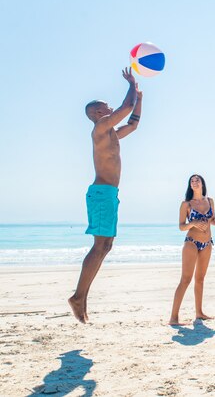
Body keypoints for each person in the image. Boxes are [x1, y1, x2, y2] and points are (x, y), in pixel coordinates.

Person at [68, 68, 140, 323]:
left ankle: (81, 297)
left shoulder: (111, 134)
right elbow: (126, 106)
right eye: (105, 106)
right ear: (98, 113)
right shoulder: (100, 128)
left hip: (109, 194)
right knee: (100, 246)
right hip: (101, 194)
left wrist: (139, 97)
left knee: (106, 246)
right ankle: (78, 297)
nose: (110, 107)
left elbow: (133, 124)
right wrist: (131, 85)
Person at [169, 174, 215, 325]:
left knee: (200, 279)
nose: (194, 183)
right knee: (186, 279)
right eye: (192, 181)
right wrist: (192, 223)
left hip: (207, 243)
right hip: (191, 242)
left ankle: (199, 313)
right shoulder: (186, 204)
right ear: (190, 185)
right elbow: (181, 226)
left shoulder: (210, 201)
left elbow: (211, 220)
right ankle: (173, 318)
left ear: (202, 183)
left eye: (197, 180)